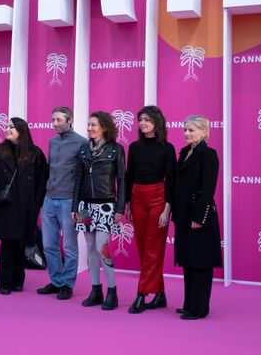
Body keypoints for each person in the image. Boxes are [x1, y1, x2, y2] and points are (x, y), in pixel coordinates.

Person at [0, 118, 48, 295]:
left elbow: (42, 180)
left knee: (21, 244)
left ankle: (18, 280)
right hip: (6, 205)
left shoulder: (35, 153)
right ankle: (5, 282)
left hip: (27, 206)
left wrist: (37, 202)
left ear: (21, 130)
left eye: (11, 127)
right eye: (7, 126)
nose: (7, 129)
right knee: (7, 244)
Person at [72, 111, 126, 311]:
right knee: (90, 247)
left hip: (106, 206)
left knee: (102, 249)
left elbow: (122, 180)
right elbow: (78, 179)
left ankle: (112, 292)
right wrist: (75, 206)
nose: (90, 128)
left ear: (104, 127)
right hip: (86, 206)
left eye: (93, 125)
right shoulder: (83, 149)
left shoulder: (116, 149)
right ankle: (96, 290)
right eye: (88, 125)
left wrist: (120, 208)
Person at [125, 106, 176, 314]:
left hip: (158, 199)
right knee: (144, 249)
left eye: (147, 119)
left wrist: (167, 209)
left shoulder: (167, 148)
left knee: (153, 249)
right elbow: (129, 176)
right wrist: (128, 203)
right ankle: (160, 294)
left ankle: (141, 293)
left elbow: (171, 180)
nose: (143, 123)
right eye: (141, 120)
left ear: (157, 122)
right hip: (137, 197)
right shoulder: (134, 147)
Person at [173, 116, 222, 320]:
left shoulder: (208, 154)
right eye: (185, 129)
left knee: (200, 261)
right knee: (188, 259)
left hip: (199, 215)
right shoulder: (185, 152)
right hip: (184, 214)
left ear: (204, 132)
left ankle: (199, 308)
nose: (187, 133)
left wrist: (199, 217)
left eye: (191, 130)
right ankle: (189, 304)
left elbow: (208, 188)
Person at [38, 106, 86, 300]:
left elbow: (83, 175)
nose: (55, 124)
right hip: (49, 199)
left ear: (70, 120)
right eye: (53, 120)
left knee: (69, 246)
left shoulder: (81, 142)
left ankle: (67, 284)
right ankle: (56, 281)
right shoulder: (52, 141)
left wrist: (78, 204)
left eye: (59, 120)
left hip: (68, 201)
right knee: (49, 245)